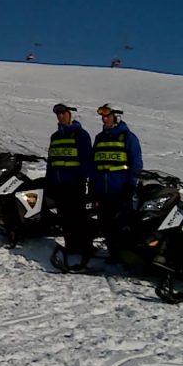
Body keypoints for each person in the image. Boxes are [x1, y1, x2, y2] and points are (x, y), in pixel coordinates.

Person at [91, 103, 143, 258]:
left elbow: (136, 163)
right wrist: (92, 183)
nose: (104, 119)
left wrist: (130, 186)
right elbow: (94, 163)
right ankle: (113, 253)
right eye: (103, 116)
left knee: (120, 224)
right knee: (105, 223)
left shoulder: (128, 138)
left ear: (116, 117)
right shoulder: (99, 138)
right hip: (102, 190)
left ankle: (123, 255)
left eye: (107, 116)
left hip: (119, 190)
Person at [45, 103, 94, 261]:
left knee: (78, 217)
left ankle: (85, 247)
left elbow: (86, 160)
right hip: (58, 185)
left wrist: (81, 179)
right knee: (64, 218)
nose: (60, 116)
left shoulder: (81, 135)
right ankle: (71, 246)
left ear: (71, 114)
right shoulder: (55, 136)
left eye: (63, 113)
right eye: (58, 114)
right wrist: (49, 181)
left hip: (74, 185)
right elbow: (51, 162)